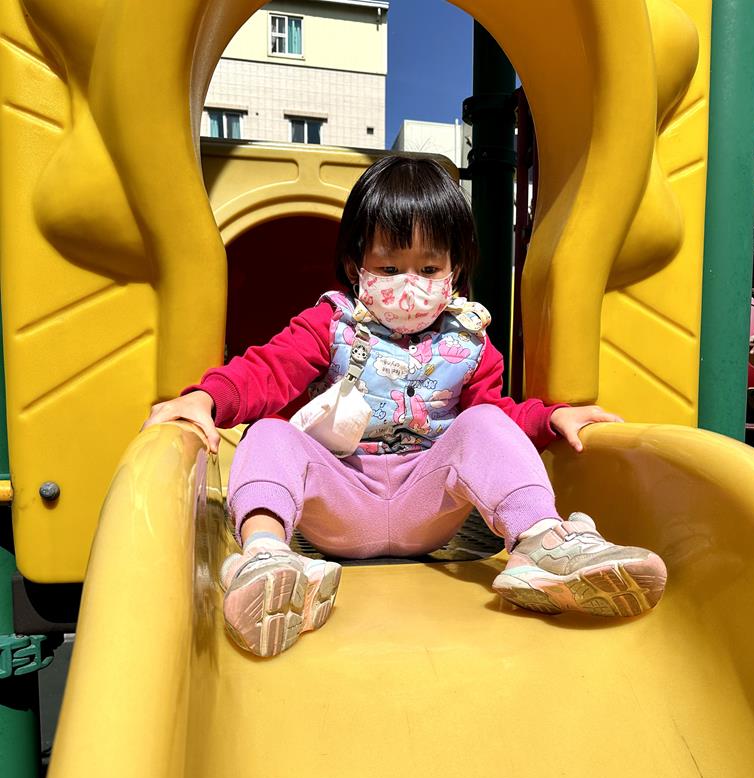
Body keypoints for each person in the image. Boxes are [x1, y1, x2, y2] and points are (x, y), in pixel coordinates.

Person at [143, 155, 667, 657]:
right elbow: (267, 370)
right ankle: (265, 557)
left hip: (425, 506)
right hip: (341, 501)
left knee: (482, 420)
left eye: (429, 267)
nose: (409, 284)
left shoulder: (470, 344)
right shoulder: (332, 325)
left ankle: (541, 542)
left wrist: (549, 417)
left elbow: (497, 423)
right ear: (356, 266)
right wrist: (207, 397)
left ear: (455, 270)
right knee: (269, 432)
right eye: (389, 266)